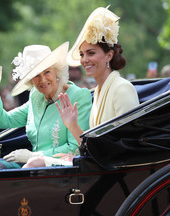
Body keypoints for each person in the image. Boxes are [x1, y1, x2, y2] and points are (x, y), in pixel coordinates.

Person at [24, 6, 140, 168]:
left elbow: (126, 147)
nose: (84, 60)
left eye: (91, 53)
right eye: (82, 54)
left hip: (112, 169)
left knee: (35, 163)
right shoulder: (98, 91)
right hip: (96, 163)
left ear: (109, 55)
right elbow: (95, 146)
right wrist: (72, 126)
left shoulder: (121, 89)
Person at [0, 42, 92, 169]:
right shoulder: (36, 96)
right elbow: (2, 121)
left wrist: (34, 156)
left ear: (56, 70)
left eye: (47, 72)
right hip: (33, 169)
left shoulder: (79, 96)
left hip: (62, 170)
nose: (43, 80)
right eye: (36, 75)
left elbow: (76, 148)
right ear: (30, 80)